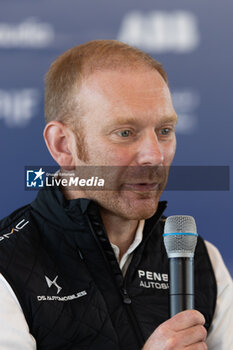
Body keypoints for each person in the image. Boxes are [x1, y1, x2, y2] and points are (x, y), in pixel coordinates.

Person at [0, 40, 232, 350]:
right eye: (125, 132)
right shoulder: (8, 262)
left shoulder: (202, 259)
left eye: (164, 130)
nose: (154, 155)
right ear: (63, 145)